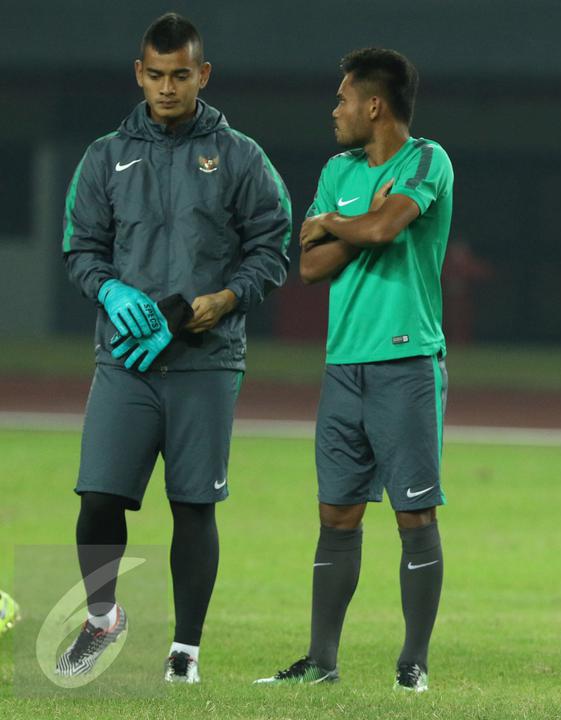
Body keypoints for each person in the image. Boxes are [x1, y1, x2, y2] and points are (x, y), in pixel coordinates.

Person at [58, 12, 291, 684]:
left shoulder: (240, 154)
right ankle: (102, 620)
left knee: (194, 505)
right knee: (98, 498)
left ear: (202, 74)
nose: (166, 87)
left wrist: (226, 299)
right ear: (140, 74)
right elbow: (81, 247)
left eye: (179, 76)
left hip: (205, 362)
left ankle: (184, 655)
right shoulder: (104, 155)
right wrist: (107, 292)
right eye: (155, 75)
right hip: (126, 361)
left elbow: (272, 245)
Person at [255, 48, 452, 694]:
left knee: (413, 516)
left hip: (406, 362)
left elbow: (389, 227)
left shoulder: (427, 160)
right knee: (336, 514)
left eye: (342, 99)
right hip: (344, 367)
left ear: (374, 105)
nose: (333, 110)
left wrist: (333, 222)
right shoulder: (338, 167)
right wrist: (357, 225)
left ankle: (413, 663)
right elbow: (307, 267)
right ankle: (321, 662)